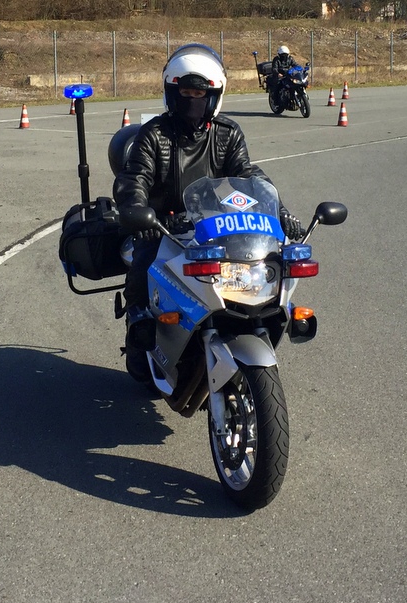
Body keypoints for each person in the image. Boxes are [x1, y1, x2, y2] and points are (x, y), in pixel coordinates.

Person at [113, 43, 306, 383]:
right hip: (163, 227)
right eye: (185, 91)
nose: (193, 99)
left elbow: (249, 175)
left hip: (212, 225)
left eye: (200, 92)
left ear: (215, 96)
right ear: (172, 93)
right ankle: (139, 329)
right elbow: (135, 180)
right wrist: (139, 213)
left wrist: (281, 212)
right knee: (143, 262)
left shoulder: (227, 135)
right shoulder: (154, 135)